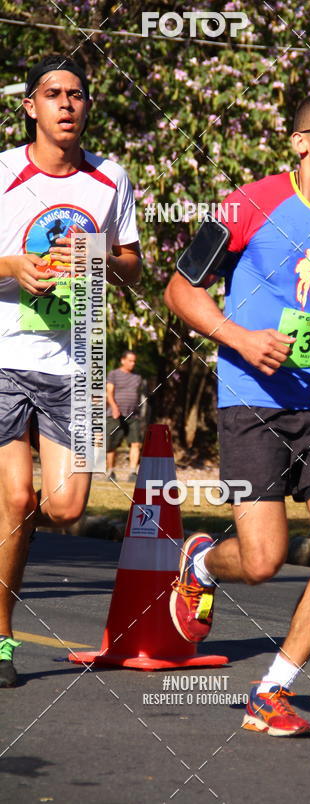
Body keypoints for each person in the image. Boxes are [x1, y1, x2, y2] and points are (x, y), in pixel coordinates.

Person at [165, 89, 310, 737]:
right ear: (301, 143)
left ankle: (272, 690)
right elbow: (179, 288)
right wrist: (239, 338)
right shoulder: (249, 205)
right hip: (252, 403)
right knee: (264, 559)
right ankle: (204, 562)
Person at [0, 54, 142, 688]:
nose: (66, 103)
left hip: (77, 362)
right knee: (16, 499)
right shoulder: (3, 171)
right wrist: (13, 268)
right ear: (30, 106)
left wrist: (100, 261)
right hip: (6, 356)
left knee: (64, 508)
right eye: (52, 93)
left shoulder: (110, 179)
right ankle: (1, 640)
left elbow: (133, 265)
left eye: (77, 94)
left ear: (87, 107)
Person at [106, 350, 144, 482]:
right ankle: (110, 472)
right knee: (112, 445)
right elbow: (109, 393)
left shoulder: (137, 377)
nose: (132, 363)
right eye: (130, 360)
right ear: (123, 360)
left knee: (136, 443)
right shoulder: (113, 374)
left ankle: (133, 472)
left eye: (134, 361)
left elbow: (138, 395)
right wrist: (115, 407)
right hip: (115, 415)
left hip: (133, 416)